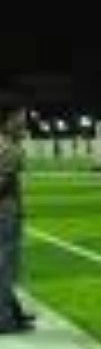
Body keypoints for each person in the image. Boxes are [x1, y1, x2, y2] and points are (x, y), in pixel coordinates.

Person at [0, 111, 34, 334]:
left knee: (5, 265)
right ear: (7, 122)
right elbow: (3, 182)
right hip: (5, 212)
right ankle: (4, 319)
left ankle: (13, 311)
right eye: (18, 122)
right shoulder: (11, 149)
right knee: (6, 267)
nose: (23, 127)